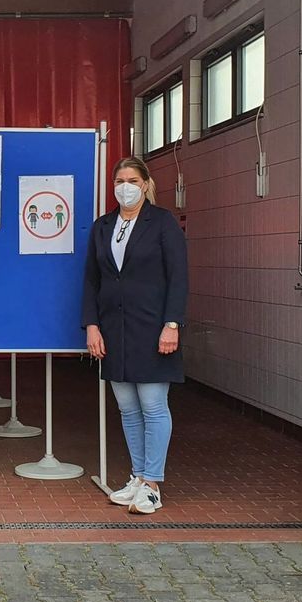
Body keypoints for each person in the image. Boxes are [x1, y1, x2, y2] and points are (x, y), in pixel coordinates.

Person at [82, 157, 187, 515]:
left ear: (145, 184)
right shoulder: (103, 226)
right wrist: (92, 325)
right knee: (128, 408)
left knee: (154, 406)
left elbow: (179, 277)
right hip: (114, 330)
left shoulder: (162, 223)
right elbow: (91, 280)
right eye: (119, 180)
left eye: (131, 179)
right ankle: (138, 476)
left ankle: (153, 484)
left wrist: (172, 324)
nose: (124, 186)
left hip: (154, 328)